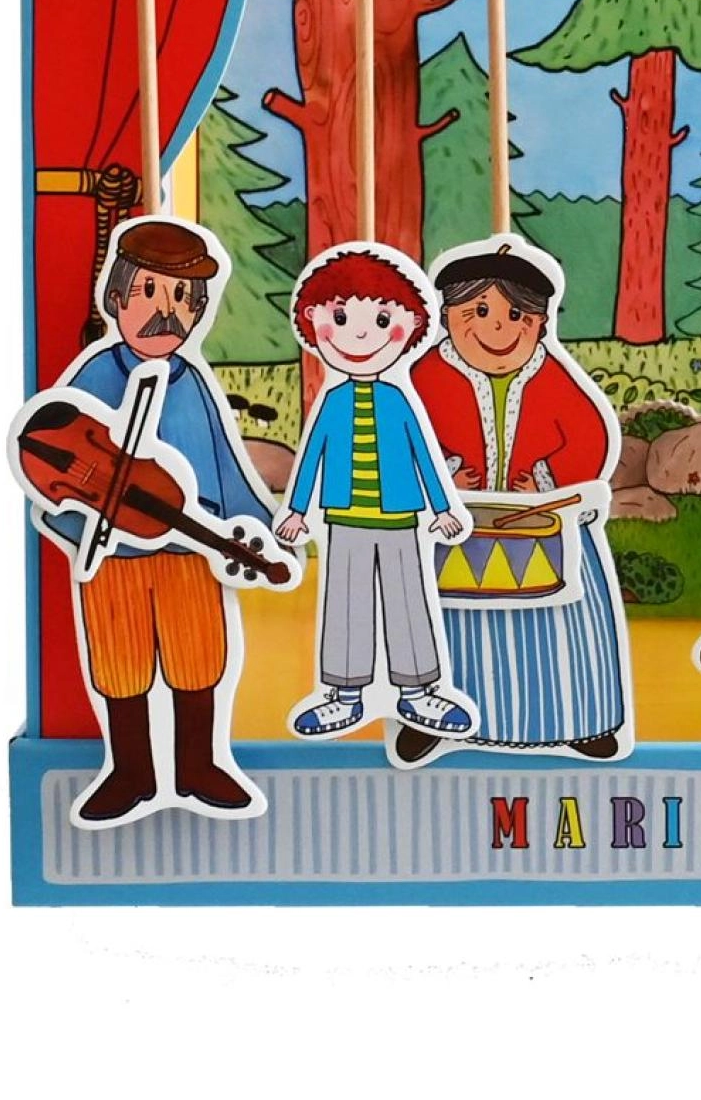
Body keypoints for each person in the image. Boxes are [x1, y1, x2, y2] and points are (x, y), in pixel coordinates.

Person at [36, 218, 273, 822]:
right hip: (113, 552)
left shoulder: (194, 384)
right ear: (116, 299)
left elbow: (225, 463)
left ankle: (198, 766)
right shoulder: (96, 375)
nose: (166, 312)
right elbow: (54, 453)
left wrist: (254, 526)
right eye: (148, 292)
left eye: (182, 299)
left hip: (191, 550)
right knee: (121, 662)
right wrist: (78, 527)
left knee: (198, 657)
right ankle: (131, 772)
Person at [403, 240, 630, 764]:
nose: (498, 329)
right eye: (479, 312)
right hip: (449, 529)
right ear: (449, 316)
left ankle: (579, 719)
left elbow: (590, 439)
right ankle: (429, 722)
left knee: (565, 633)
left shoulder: (554, 377)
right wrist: (443, 477)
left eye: (517, 316)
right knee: (441, 633)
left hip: (545, 526)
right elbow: (404, 441)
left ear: (540, 323)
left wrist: (548, 485)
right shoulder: (424, 379)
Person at [279, 246, 473, 742]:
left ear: (408, 328)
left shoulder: (397, 400)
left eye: (382, 320)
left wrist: (443, 507)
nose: (360, 335)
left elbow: (423, 456)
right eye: (341, 318)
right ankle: (343, 695)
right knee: (345, 603)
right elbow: (312, 456)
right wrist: (296, 511)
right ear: (314, 323)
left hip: (401, 519)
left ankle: (419, 690)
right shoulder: (332, 402)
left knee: (408, 600)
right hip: (343, 520)